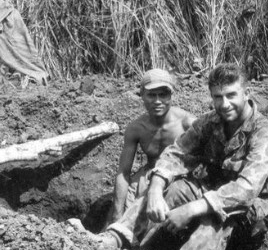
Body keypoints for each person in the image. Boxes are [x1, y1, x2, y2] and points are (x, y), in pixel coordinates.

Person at [102, 63, 268, 250]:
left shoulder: (263, 133)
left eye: (231, 95)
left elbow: (246, 190)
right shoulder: (210, 121)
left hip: (247, 208)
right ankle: (116, 239)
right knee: (175, 188)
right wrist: (155, 189)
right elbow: (176, 153)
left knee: (216, 218)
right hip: (208, 189)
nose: (224, 104)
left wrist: (191, 210)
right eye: (217, 97)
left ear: (246, 93)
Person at [69, 68, 195, 233]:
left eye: (163, 95)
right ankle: (104, 240)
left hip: (180, 176)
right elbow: (123, 172)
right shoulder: (136, 128)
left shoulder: (187, 123)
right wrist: (117, 212)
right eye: (151, 95)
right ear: (142, 95)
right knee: (122, 211)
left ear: (171, 96)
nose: (157, 101)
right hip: (148, 174)